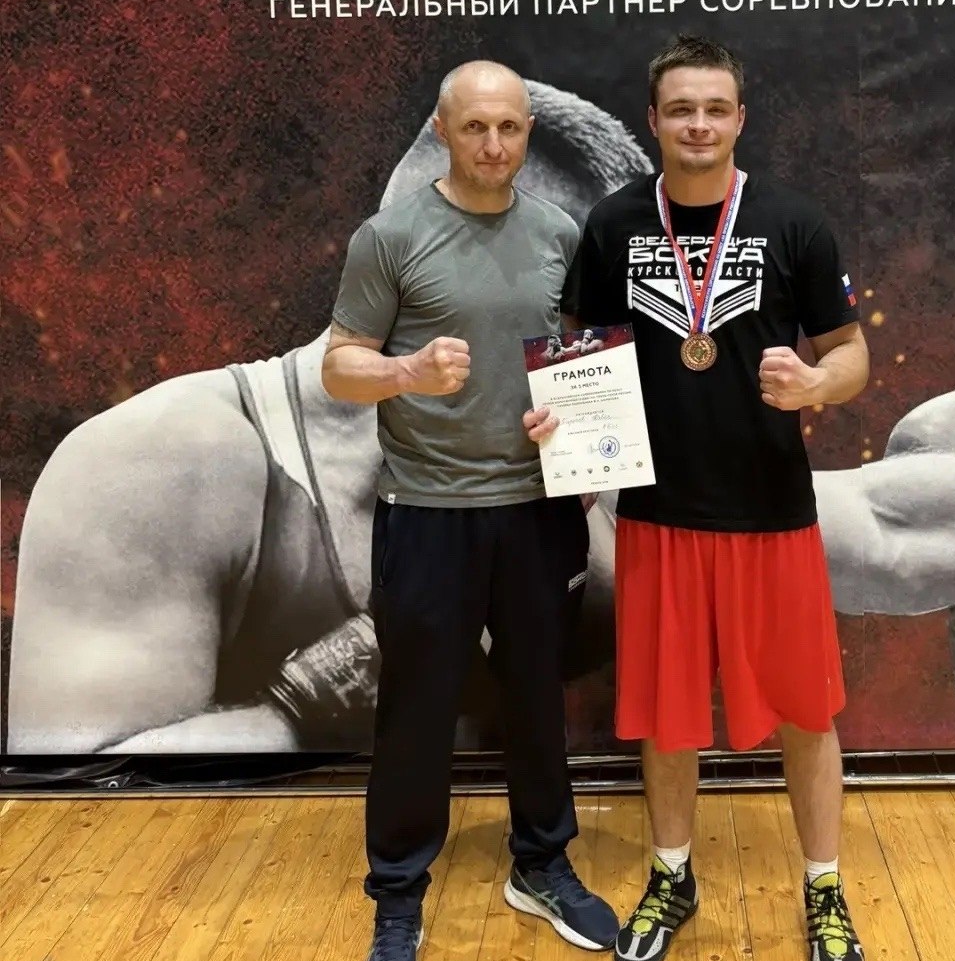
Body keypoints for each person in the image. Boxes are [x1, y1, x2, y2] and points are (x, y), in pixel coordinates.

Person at [6, 81, 648, 756]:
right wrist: (359, 667)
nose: (590, 353)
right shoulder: (163, 458)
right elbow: (76, 781)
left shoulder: (588, 477)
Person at [555, 33, 871, 961]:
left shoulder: (792, 221)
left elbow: (851, 353)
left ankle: (824, 887)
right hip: (657, 513)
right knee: (667, 716)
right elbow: (577, 349)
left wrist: (817, 382)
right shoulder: (613, 222)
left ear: (739, 118)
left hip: (771, 513)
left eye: (715, 108)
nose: (698, 124)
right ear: (653, 120)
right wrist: (563, 421)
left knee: (806, 711)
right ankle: (671, 876)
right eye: (681, 109)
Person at [319, 59, 620, 961]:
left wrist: (567, 421)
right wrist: (404, 372)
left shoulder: (560, 234)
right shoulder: (391, 236)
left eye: (509, 127)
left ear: (527, 132)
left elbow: (578, 360)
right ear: (445, 130)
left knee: (535, 694)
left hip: (535, 509)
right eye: (476, 127)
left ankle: (542, 864)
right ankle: (397, 894)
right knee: (417, 708)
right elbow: (340, 365)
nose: (494, 144)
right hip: (426, 508)